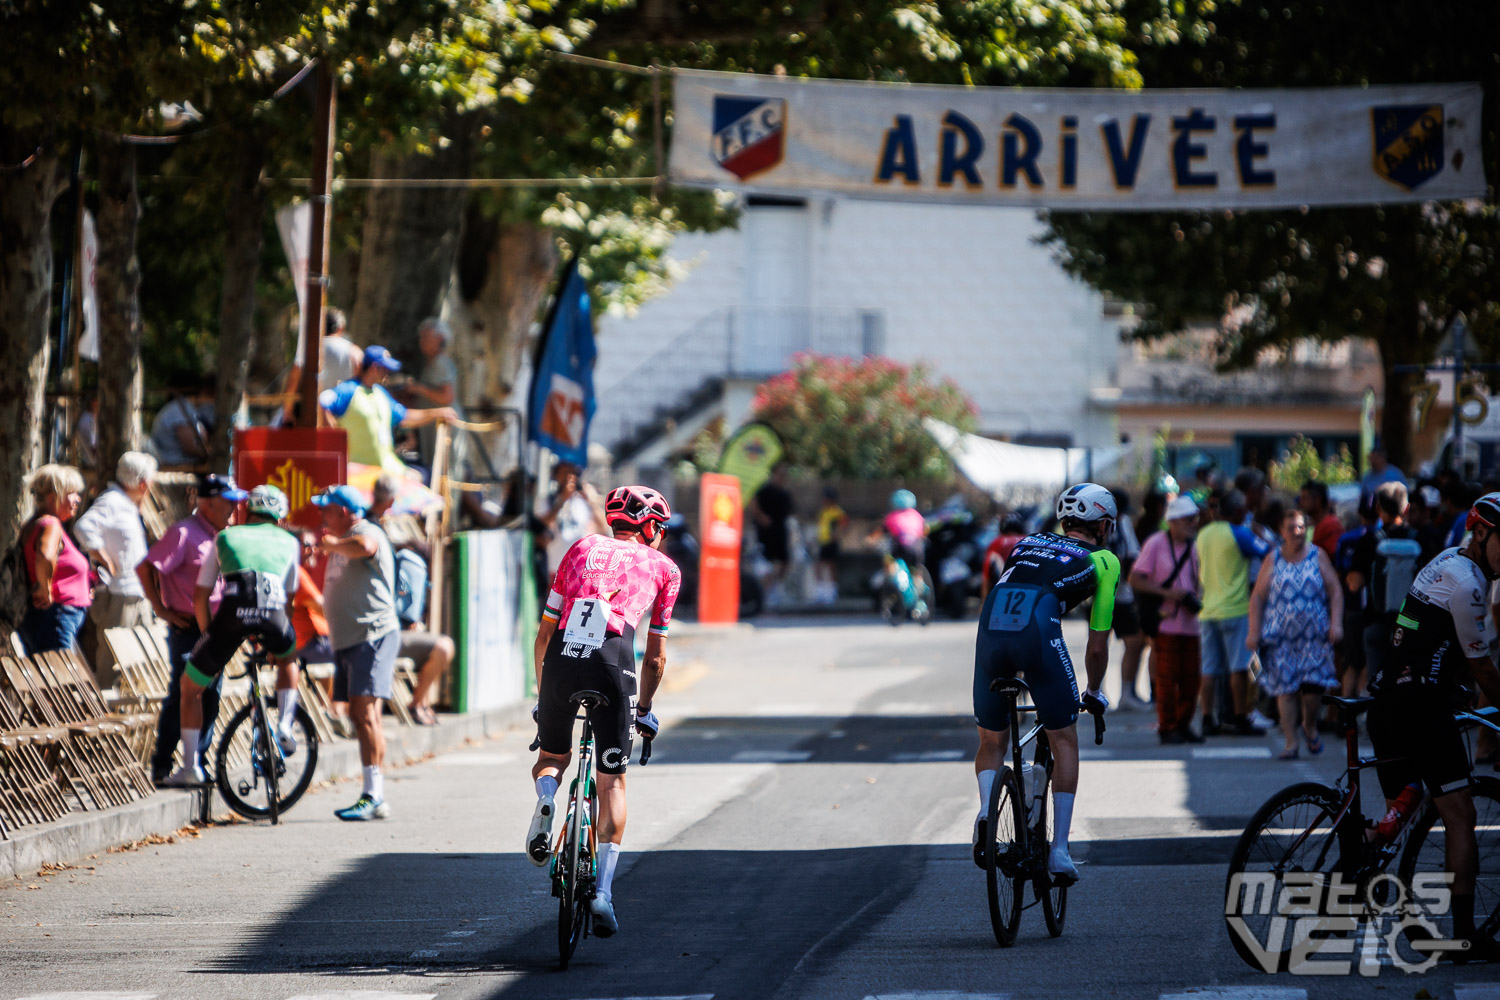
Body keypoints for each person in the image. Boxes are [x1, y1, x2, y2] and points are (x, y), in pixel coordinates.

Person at [527, 485, 681, 938]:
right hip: (614, 663)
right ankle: (603, 894)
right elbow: (654, 656)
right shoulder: (663, 568)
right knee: (611, 780)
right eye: (662, 529)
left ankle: (547, 801)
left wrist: (543, 697)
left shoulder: (581, 547)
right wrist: (646, 709)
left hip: (561, 659)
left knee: (553, 758)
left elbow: (543, 636)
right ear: (651, 526)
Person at [1366, 492, 1500, 961]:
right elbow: (1482, 667)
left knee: (1407, 804)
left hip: (1388, 701)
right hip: (1421, 710)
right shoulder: (1471, 585)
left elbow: (1434, 639)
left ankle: (1359, 864)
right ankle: (1465, 937)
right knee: (1462, 817)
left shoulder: (1446, 560)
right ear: (1481, 534)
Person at [971, 483, 1119, 884]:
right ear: (1104, 525)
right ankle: (1060, 852)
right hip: (1035, 633)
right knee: (1064, 738)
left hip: (990, 630)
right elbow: (1097, 643)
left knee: (990, 741)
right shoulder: (1104, 560)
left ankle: (987, 814)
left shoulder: (1026, 542)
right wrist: (1093, 690)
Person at [160, 486, 302, 786]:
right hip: (273, 613)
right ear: (279, 517)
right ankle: (286, 726)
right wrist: (277, 647)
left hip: (231, 616)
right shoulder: (290, 542)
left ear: (246, 511)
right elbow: (287, 600)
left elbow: (202, 596)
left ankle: (190, 768)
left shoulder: (223, 537)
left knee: (190, 687)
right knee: (290, 659)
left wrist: (207, 637)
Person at [139, 473, 245, 783]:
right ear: (210, 502)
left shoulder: (220, 534)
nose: (235, 508)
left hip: (214, 627)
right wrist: (160, 608)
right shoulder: (184, 532)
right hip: (188, 627)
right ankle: (163, 763)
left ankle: (197, 761)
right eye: (229, 502)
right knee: (185, 693)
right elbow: (146, 566)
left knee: (210, 694)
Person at [314, 485, 400, 820]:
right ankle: (375, 792)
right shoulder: (343, 540)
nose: (322, 515)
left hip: (371, 635)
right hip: (352, 639)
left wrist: (332, 544)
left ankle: (372, 794)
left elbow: (367, 547)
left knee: (364, 715)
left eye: (328, 509)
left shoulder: (364, 531)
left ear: (347, 511)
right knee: (364, 716)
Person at [1247, 509, 1342, 760]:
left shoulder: (1317, 555)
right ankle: (1291, 742)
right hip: (1281, 639)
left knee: (1312, 694)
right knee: (1286, 691)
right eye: (1292, 528)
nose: (1297, 532)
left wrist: (1336, 623)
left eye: (1301, 527)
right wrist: (1254, 631)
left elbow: (1335, 591)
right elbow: (1257, 596)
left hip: (1314, 638)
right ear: (1282, 532)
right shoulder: (1273, 559)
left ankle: (1309, 726)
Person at [76, 451, 158, 688]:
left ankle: (120, 712)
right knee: (113, 661)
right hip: (120, 592)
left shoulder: (125, 504)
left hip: (134, 592)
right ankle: (106, 716)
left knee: (137, 661)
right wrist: (103, 558)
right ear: (143, 483)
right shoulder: (112, 500)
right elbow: (84, 527)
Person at [1195, 489, 1272, 736]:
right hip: (1236, 609)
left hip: (1208, 609)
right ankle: (1240, 716)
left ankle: (1208, 717)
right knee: (1239, 667)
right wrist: (1261, 535)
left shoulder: (1204, 533)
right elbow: (1270, 553)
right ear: (1238, 512)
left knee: (1209, 669)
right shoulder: (1241, 533)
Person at [317, 345, 457, 479]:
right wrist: (335, 437)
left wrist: (436, 413)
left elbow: (405, 417)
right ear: (374, 368)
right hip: (359, 471)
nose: (388, 374)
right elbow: (322, 402)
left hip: (388, 469)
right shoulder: (349, 390)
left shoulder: (381, 393)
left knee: (421, 478)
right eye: (385, 369)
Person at [1130, 495, 1203, 744]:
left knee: (1192, 679)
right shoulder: (1156, 543)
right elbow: (1136, 578)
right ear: (1173, 521)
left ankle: (1183, 724)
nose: (1193, 523)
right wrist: (1167, 593)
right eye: (1188, 519)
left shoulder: (1193, 545)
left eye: (1194, 518)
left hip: (1190, 624)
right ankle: (1168, 726)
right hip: (1166, 623)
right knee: (1167, 678)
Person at [1347, 481, 1420, 695]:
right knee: (1406, 682)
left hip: (1375, 620)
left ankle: (1376, 725)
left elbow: (1355, 584)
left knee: (1376, 683)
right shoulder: (1422, 539)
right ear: (1406, 508)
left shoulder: (1368, 541)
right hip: (1410, 625)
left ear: (1378, 509)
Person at [17, 464, 92, 654]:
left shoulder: (35, 523)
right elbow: (45, 554)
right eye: (72, 493)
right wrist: (46, 588)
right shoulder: (50, 524)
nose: (78, 499)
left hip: (51, 616)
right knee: (58, 677)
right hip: (56, 616)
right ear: (54, 496)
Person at [404, 317, 465, 469]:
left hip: (445, 429)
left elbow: (447, 396)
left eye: (426, 337)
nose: (422, 342)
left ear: (440, 338)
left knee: (446, 476)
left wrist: (418, 388)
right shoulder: (433, 362)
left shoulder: (440, 363)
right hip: (436, 428)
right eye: (421, 337)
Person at [538, 462, 608, 584]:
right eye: (565, 473)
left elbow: (603, 527)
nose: (569, 477)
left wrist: (590, 501)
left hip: (581, 571)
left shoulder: (582, 502)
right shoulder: (548, 500)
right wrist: (562, 500)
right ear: (555, 475)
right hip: (556, 570)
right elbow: (543, 527)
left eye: (573, 473)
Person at [1110, 489, 1148, 711]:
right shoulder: (1093, 524)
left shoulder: (1122, 522)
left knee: (1134, 642)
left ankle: (1125, 693)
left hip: (1122, 593)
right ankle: (1096, 692)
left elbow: (1134, 552)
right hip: (1097, 595)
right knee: (1098, 644)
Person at [751, 464, 795, 592]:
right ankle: (767, 590)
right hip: (765, 532)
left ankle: (775, 587)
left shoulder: (785, 493)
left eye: (784, 475)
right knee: (766, 563)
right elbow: (753, 502)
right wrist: (761, 517)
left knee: (785, 561)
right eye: (780, 474)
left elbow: (790, 512)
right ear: (774, 474)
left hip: (780, 530)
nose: (782, 478)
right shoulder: (765, 490)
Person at [149, 390, 212, 467]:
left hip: (188, 465)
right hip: (176, 465)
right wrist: (217, 455)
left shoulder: (191, 408)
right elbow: (190, 447)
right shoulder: (179, 408)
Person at [813, 487, 847, 604]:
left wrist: (836, 535)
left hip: (831, 543)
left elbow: (842, 525)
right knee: (818, 566)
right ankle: (821, 592)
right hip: (823, 542)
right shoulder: (823, 511)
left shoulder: (837, 512)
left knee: (831, 567)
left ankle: (832, 593)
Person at [982, 513, 1028, 593]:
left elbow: (987, 575)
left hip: (1003, 591)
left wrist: (984, 601)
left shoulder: (996, 542)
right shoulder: (1029, 539)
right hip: (1028, 591)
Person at [1299, 480, 1343, 560]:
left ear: (1317, 500)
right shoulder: (1317, 525)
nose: (1301, 503)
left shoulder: (1330, 525)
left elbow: (1336, 558)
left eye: (1305, 499)